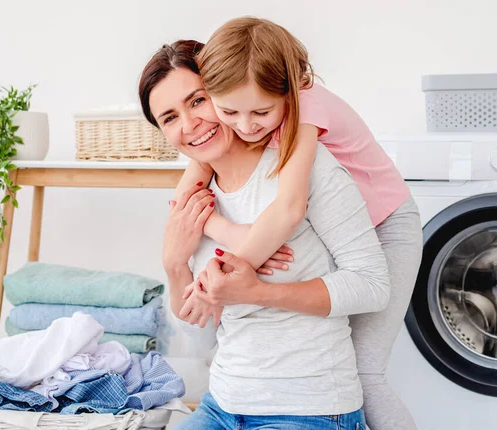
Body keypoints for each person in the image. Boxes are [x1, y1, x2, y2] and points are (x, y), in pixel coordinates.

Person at [170, 17, 423, 430]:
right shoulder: (254, 119)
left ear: (287, 88)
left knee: (365, 374)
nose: (246, 126)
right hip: (339, 228)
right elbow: (188, 189)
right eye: (229, 111)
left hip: (388, 223)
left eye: (261, 112)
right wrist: (205, 230)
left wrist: (230, 274)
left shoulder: (304, 111)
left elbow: (289, 209)